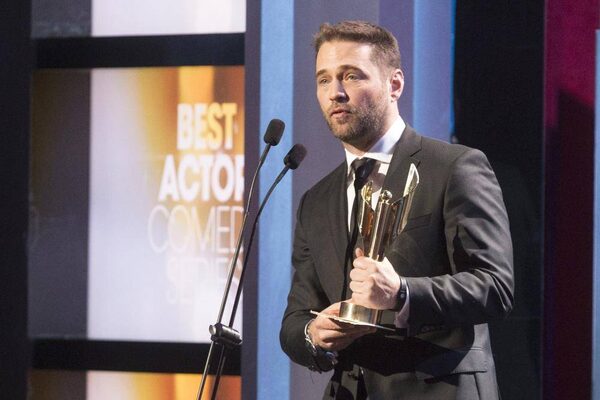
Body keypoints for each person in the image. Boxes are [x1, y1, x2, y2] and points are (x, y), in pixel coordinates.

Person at [279, 20, 514, 400]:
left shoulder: (454, 167)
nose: (335, 92)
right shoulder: (316, 201)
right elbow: (296, 318)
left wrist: (402, 293)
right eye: (324, 80)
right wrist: (314, 334)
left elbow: (494, 287)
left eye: (351, 75)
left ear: (395, 84)